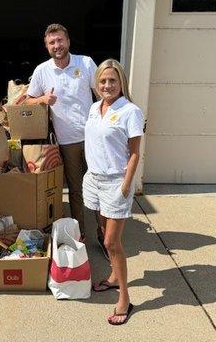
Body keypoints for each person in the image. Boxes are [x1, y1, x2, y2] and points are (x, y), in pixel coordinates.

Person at [83, 59, 144, 325]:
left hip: (115, 182)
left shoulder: (131, 111)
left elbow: (134, 154)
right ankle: (113, 277)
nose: (107, 85)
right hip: (94, 179)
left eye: (112, 81)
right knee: (102, 230)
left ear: (121, 83)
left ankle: (125, 299)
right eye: (103, 81)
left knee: (111, 243)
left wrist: (126, 185)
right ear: (97, 84)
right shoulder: (95, 108)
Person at [25, 23, 97, 241]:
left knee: (101, 186)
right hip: (67, 141)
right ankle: (80, 233)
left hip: (94, 136)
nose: (57, 45)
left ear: (68, 41)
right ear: (47, 46)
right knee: (75, 190)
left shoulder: (85, 63)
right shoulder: (42, 71)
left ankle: (105, 233)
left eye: (60, 40)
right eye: (52, 42)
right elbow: (26, 100)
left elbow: (102, 93)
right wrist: (42, 99)